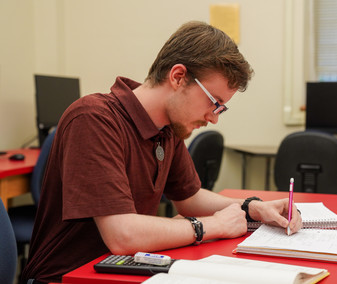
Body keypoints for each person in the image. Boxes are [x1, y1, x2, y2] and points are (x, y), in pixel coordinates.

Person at [21, 21, 302, 283]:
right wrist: (211, 226)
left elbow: (189, 198)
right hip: (65, 277)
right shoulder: (94, 118)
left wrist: (251, 207)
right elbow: (123, 235)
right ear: (178, 77)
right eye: (214, 102)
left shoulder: (166, 128)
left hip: (121, 269)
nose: (214, 118)